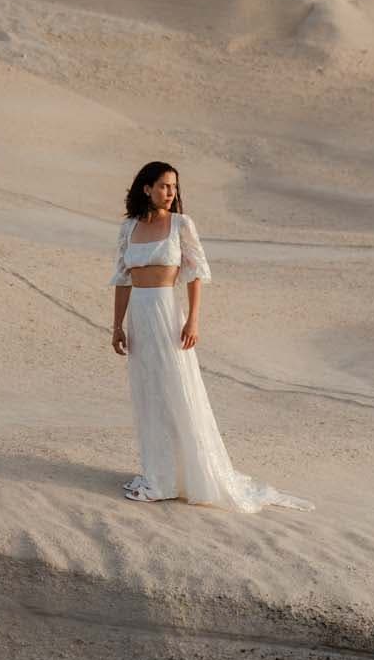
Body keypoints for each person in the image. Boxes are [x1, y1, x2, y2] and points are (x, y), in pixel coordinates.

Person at [109, 161, 313, 511]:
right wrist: (117, 325)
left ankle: (185, 476)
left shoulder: (181, 225)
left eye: (174, 187)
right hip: (140, 320)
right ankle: (159, 474)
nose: (171, 193)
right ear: (146, 188)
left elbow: (195, 275)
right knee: (148, 394)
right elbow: (122, 280)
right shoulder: (129, 228)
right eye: (163, 186)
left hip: (168, 315)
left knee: (176, 391)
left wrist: (193, 321)